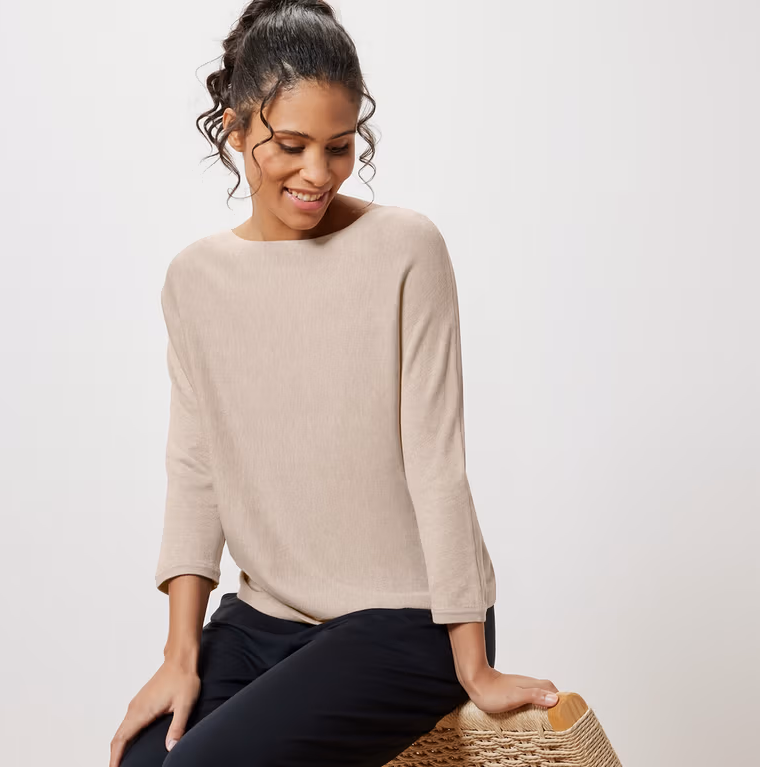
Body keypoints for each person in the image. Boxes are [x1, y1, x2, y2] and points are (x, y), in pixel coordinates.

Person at [110, 2, 559, 765]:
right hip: (263, 619)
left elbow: (437, 462)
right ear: (235, 128)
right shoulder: (194, 280)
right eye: (291, 145)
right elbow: (195, 470)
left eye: (340, 146)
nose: (317, 173)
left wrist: (473, 660)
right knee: (143, 760)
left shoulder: (405, 249)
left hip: (408, 620)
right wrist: (178, 655)